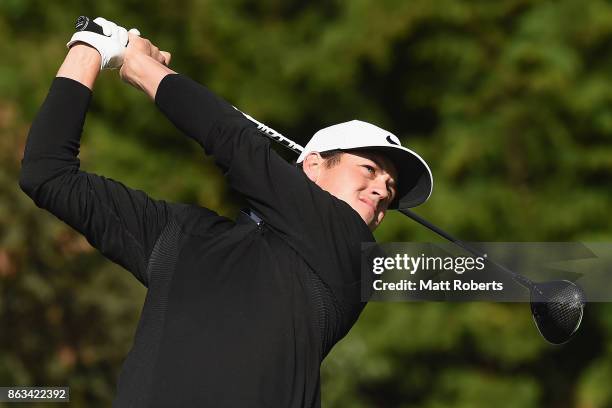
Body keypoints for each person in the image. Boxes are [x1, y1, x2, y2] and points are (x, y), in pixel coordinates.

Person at [19, 17, 432, 407]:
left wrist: (138, 65)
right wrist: (89, 46)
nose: (381, 190)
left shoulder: (350, 253)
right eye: (370, 169)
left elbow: (233, 142)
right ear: (313, 165)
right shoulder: (182, 234)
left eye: (391, 189)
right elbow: (48, 174)